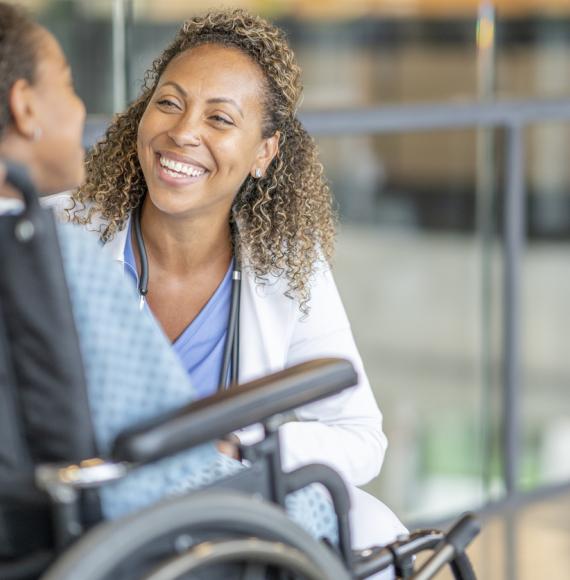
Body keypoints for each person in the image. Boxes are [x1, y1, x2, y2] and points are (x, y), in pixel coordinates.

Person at [49, 9, 405, 551]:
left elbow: (360, 439)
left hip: (211, 527)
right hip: (86, 522)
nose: (184, 132)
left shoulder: (285, 265)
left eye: (220, 119)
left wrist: (240, 446)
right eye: (169, 103)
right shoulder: (56, 234)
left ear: (264, 153)